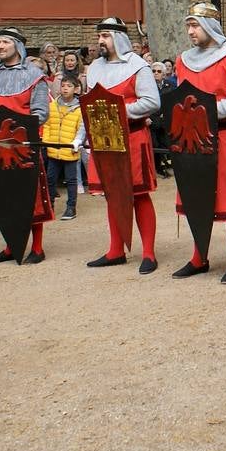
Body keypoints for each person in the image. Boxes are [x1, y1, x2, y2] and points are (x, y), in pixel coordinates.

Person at [166, 4, 226, 283]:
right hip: (190, 141)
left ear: (209, 26)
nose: (190, 31)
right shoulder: (183, 60)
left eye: (195, 25)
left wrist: (206, 111)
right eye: (188, 26)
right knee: (194, 197)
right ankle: (198, 257)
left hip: (223, 137)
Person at [84, 17, 161, 274]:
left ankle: (148, 253)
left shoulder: (138, 66)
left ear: (117, 38)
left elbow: (151, 102)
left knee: (139, 195)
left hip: (132, 138)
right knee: (112, 195)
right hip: (104, 140)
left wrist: (119, 111)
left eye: (105, 36)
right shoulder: (94, 67)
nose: (100, 41)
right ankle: (116, 250)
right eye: (99, 36)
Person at [0, 27, 52, 265]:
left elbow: (41, 113)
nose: (0, 46)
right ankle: (11, 246)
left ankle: (37, 247)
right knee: (4, 199)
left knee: (30, 198)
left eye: (5, 42)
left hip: (24, 145)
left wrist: (17, 130)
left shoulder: (35, 76)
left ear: (17, 46)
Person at [42, 73, 85, 220]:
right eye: (63, 85)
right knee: (50, 179)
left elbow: (82, 127)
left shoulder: (80, 109)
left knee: (71, 180)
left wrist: (77, 141)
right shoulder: (52, 106)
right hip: (54, 149)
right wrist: (47, 142)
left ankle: (71, 207)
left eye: (69, 86)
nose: (65, 88)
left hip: (70, 149)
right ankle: (50, 206)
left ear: (76, 89)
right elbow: (47, 124)